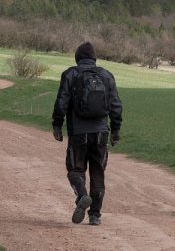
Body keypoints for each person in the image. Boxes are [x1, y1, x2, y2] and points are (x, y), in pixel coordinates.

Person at [52, 41, 123, 226]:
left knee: (75, 170)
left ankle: (82, 195)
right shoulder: (107, 75)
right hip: (101, 132)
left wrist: (57, 125)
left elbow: (62, 101)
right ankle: (95, 216)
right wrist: (115, 130)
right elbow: (116, 105)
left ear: (77, 58)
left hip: (78, 132)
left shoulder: (70, 74)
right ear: (94, 58)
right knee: (98, 172)